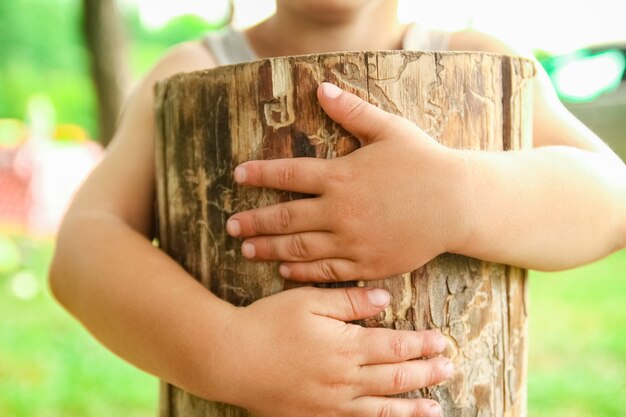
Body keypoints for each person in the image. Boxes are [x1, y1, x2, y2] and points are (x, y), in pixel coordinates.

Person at [48, 2, 626, 417]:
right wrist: (230, 350)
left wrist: (459, 195)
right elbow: (81, 247)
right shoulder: (185, 71)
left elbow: (613, 198)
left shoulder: (485, 64)